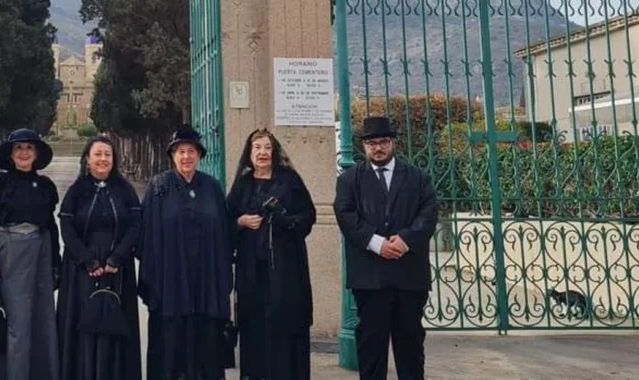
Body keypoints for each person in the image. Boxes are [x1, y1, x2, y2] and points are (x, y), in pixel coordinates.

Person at [333, 116, 439, 380]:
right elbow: (345, 214)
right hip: (370, 276)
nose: (377, 148)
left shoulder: (417, 177)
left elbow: (428, 212)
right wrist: (377, 243)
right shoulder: (349, 179)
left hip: (409, 275)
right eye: (371, 143)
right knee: (371, 346)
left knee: (410, 345)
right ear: (364, 146)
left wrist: (405, 239)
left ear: (393, 143)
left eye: (382, 142)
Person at [139, 125, 232, 380]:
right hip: (171, 282)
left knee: (205, 341)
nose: (186, 157)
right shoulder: (159, 187)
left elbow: (225, 233)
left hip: (205, 280)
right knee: (172, 343)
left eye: (191, 151)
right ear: (172, 155)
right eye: (181, 151)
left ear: (199, 155)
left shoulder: (212, 188)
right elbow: (145, 235)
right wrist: (154, 278)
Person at [226, 129, 315, 380]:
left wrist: (285, 219)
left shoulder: (289, 181)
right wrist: (240, 222)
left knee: (284, 327)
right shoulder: (243, 184)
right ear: (249, 152)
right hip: (251, 272)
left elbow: (308, 217)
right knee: (254, 328)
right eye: (257, 148)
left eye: (267, 148)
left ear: (274, 152)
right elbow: (226, 219)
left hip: (286, 272)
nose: (262, 153)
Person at [0, 128, 62, 380]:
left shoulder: (45, 186)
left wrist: (56, 261)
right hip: (10, 252)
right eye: (19, 148)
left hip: (41, 251)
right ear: (11, 154)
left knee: (42, 317)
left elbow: (50, 224)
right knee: (17, 320)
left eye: (29, 148)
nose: (24, 153)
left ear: (36, 154)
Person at [57, 136, 143, 380]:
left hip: (118, 268)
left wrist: (116, 258)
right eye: (98, 154)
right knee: (84, 325)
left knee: (114, 327)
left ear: (113, 159)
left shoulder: (125, 190)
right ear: (87, 159)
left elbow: (136, 225)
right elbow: (67, 226)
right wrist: (87, 260)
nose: (103, 159)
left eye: (107, 154)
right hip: (82, 269)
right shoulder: (77, 191)